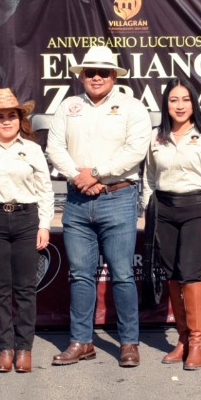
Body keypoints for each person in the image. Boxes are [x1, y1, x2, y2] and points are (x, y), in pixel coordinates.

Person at [46, 45, 153, 368]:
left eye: (103, 72)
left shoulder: (132, 107)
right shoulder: (68, 106)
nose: (96, 77)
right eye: (90, 72)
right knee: (80, 275)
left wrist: (95, 173)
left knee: (122, 274)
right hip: (77, 200)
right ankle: (82, 341)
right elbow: (54, 148)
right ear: (81, 76)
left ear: (113, 76)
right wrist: (78, 177)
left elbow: (135, 151)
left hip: (117, 198)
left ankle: (129, 342)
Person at [0, 88, 54, 374]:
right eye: (0, 116)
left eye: (11, 116)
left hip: (27, 219)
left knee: (26, 288)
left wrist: (44, 224)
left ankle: (24, 348)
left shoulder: (32, 149)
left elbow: (45, 189)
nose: (6, 121)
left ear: (20, 119)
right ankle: (5, 347)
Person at [142, 77, 201, 371]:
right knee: (173, 276)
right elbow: (148, 178)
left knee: (190, 274)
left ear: (194, 102)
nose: (180, 105)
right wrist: (149, 212)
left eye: (185, 99)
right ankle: (182, 340)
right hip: (164, 210)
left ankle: (197, 342)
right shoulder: (156, 136)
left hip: (196, 210)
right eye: (174, 100)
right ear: (165, 104)